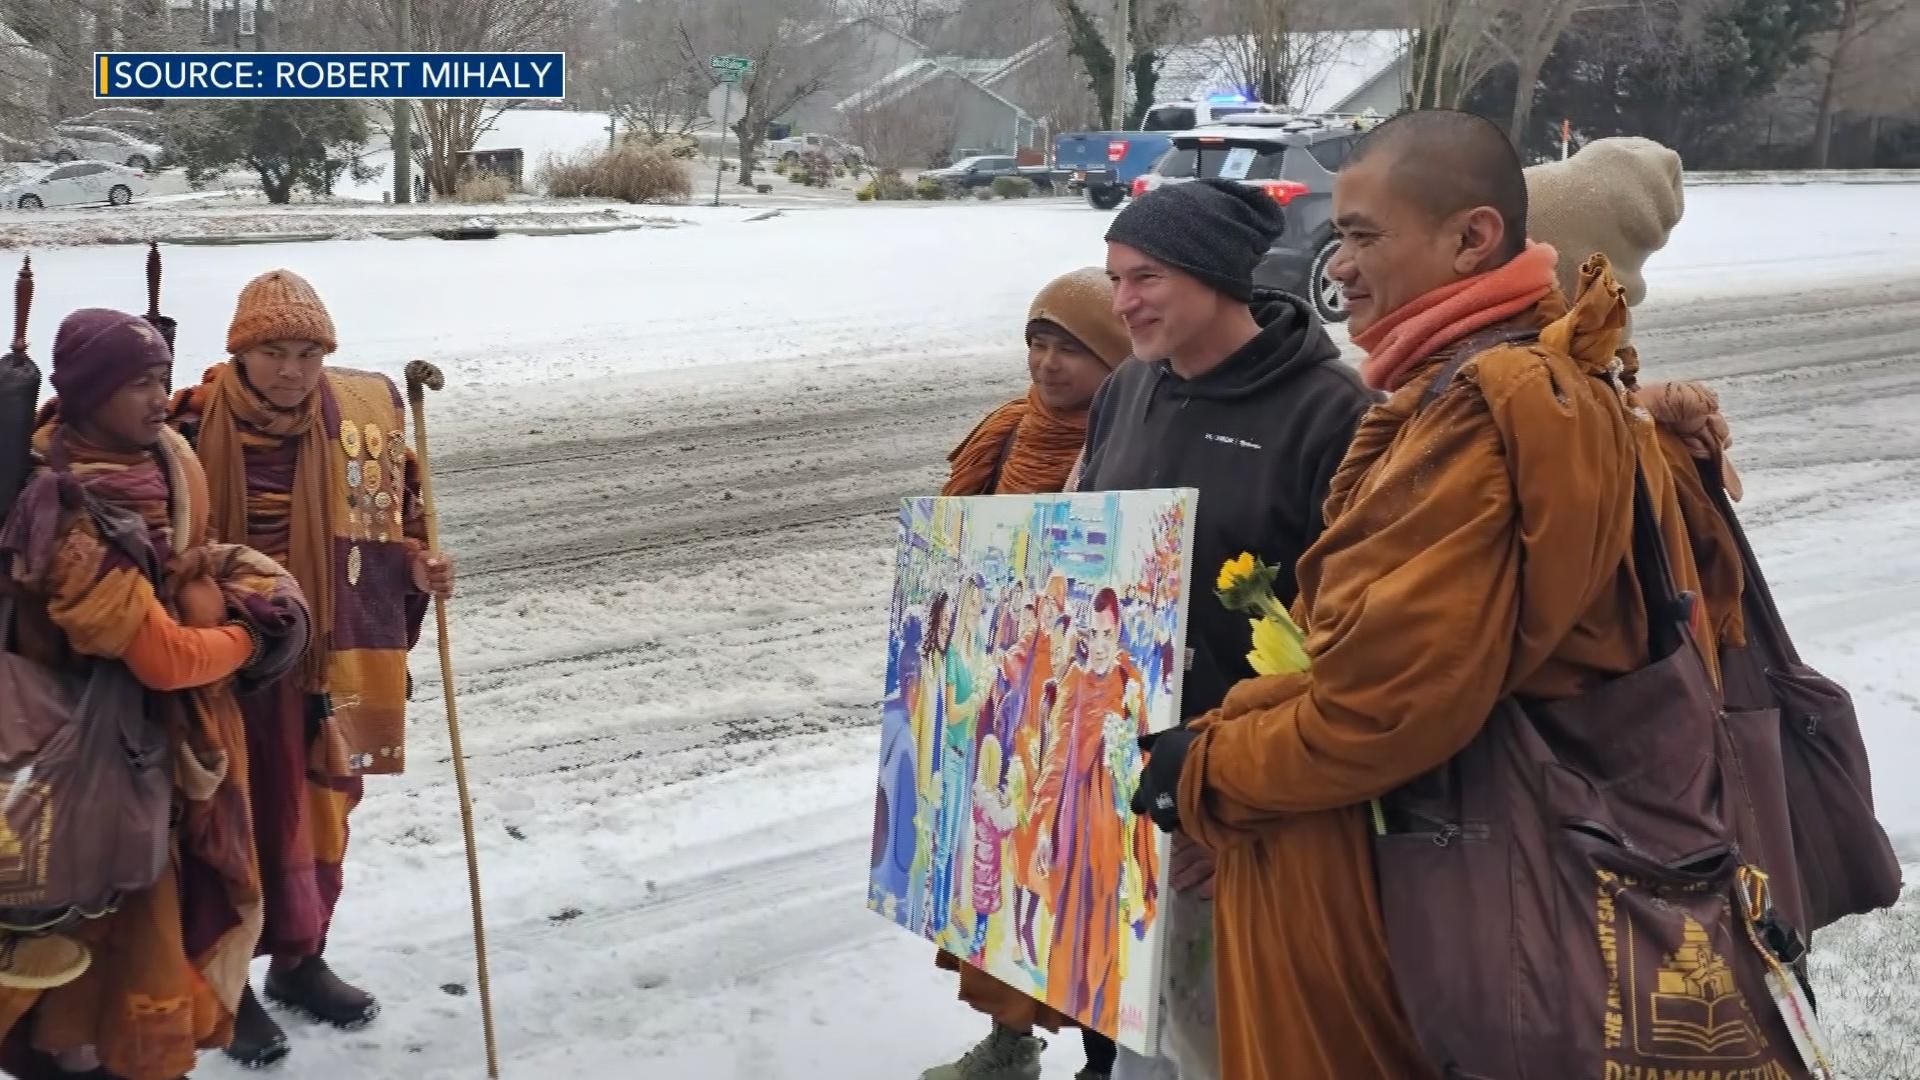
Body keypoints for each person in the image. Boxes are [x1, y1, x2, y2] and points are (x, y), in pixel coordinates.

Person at [1127, 109, 1719, 1079]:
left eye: (1362, 235)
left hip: (1473, 886)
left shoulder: (1482, 415)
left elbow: (1377, 708)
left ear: (1472, 239)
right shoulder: (1483, 395)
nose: (1339, 264)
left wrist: (1205, 766)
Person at [1074, 178, 1378, 1080]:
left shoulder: (1332, 411)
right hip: (1125, 782)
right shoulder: (1127, 390)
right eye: (1116, 277)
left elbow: (1346, 642)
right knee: (1141, 1035)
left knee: (1224, 1047)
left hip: (1243, 800)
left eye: (1147, 278)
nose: (1122, 302)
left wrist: (1241, 799)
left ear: (1215, 278)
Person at [0, 309, 306, 1079]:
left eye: (163, 379)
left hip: (158, 756)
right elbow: (162, 658)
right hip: (77, 765)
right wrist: (251, 638)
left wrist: (250, 582)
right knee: (91, 948)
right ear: (89, 391)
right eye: (137, 384)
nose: (157, 398)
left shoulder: (167, 459)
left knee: (146, 928)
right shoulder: (58, 506)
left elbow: (190, 557)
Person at [169, 270, 454, 1066]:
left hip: (326, 662)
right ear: (239, 351)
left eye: (307, 353)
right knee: (230, 825)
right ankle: (234, 986)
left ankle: (300, 960)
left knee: (321, 816)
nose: (292, 370)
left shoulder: (362, 418)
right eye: (271, 352)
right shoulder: (187, 423)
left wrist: (417, 567)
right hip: (228, 663)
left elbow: (393, 527)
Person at [921, 269, 1131, 1080]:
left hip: (1079, 702)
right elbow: (955, 547)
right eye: (1037, 345)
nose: (1047, 365)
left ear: (1115, 358)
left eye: (1071, 349)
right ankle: (1013, 1044)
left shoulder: (1125, 441)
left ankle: (1106, 1061)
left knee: (1083, 901)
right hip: (1003, 703)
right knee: (1000, 898)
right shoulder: (1008, 432)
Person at [1025, 588, 1155, 1037]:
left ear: (1118, 633)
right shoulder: (1074, 685)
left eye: (1108, 633)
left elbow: (1146, 753)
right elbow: (1056, 759)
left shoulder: (1130, 681)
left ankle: (1102, 1049)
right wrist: (1044, 826)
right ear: (1086, 635)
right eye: (1095, 633)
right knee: (1072, 926)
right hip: (1076, 826)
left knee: (1108, 929)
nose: (1101, 643)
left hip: (1113, 830)